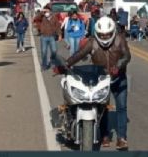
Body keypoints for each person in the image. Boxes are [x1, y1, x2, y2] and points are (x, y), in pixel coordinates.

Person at [56, 17, 131, 150]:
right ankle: (104, 136)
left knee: (121, 108)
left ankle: (121, 138)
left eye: (107, 34)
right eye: (102, 34)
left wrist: (118, 66)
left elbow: (127, 56)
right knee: (101, 107)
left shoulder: (120, 39)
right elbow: (79, 55)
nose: (104, 37)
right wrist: (65, 65)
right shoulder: (93, 42)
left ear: (112, 32)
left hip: (119, 78)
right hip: (101, 79)